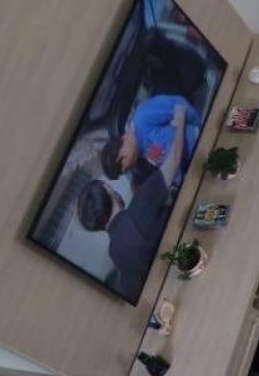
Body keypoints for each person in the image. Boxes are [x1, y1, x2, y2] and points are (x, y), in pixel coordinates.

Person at [78, 102, 188, 301]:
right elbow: (174, 158)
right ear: (108, 189)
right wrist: (180, 118)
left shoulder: (116, 255)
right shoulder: (142, 201)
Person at [100, 93, 200, 186]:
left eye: (126, 168)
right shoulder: (142, 154)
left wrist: (198, 127)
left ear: (121, 154)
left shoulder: (143, 117)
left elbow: (179, 105)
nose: (131, 167)